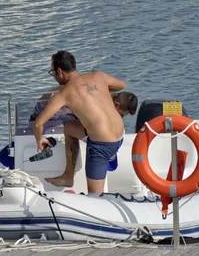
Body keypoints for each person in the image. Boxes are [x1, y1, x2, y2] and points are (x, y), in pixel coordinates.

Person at [33, 50, 133, 194]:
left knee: (95, 196)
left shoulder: (64, 94)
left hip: (102, 146)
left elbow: (38, 124)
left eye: (52, 72)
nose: (53, 75)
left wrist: (39, 140)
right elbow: (122, 85)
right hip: (120, 134)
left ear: (60, 71)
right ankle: (68, 176)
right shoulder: (98, 76)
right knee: (69, 127)